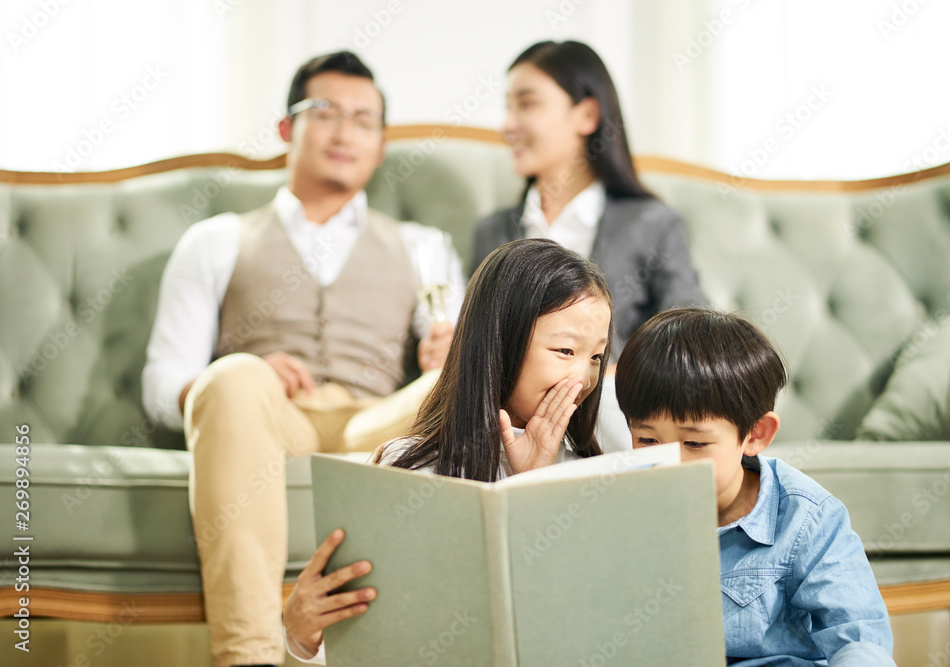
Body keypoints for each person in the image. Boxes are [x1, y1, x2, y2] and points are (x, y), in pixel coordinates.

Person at [141, 51, 464, 667]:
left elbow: (444, 347)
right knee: (233, 377)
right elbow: (162, 381)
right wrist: (248, 374)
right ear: (286, 129)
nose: (345, 132)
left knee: (463, 376)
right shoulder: (216, 240)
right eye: (326, 113)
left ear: (380, 144)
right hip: (269, 420)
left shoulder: (425, 247)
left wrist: (444, 358)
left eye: (364, 120)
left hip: (376, 420)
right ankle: (250, 657)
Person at [282, 238, 617, 663]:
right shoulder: (404, 467)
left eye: (595, 357)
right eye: (565, 351)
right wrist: (299, 635)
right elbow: (363, 634)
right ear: (500, 342)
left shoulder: (595, 475)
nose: (582, 377)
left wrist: (535, 483)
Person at [614, 308, 895, 666]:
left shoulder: (805, 517)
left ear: (755, 434)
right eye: (647, 439)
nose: (671, 462)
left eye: (695, 444)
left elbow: (859, 637)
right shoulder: (625, 505)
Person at [474, 40, 708, 360]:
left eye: (526, 104)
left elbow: (694, 346)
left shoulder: (653, 224)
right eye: (508, 107)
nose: (507, 126)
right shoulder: (491, 232)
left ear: (586, 115)